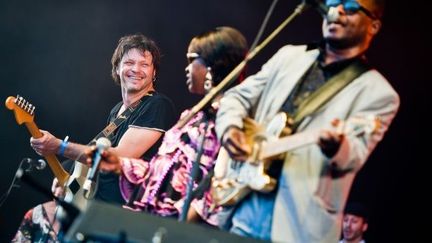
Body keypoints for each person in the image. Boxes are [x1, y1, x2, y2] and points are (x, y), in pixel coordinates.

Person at [215, 0, 399, 242]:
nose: (337, 10)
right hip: (246, 204)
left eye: (351, 7)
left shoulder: (379, 93)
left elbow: (355, 153)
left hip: (301, 224)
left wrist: (336, 146)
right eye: (333, 3)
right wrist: (230, 129)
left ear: (373, 25)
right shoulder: (289, 56)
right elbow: (237, 97)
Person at [13, 33, 176, 242]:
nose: (136, 69)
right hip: (98, 202)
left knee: (43, 220)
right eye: (129, 62)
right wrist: (66, 177)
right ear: (117, 68)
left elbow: (115, 157)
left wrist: (59, 146)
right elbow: (92, 159)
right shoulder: (117, 110)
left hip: (128, 210)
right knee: (37, 215)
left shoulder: (158, 105)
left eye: (144, 64)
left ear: (154, 72)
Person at [90, 26, 248, 225]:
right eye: (129, 62)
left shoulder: (225, 120)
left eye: (192, 60)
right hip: (150, 216)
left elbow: (215, 188)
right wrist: (121, 165)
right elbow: (157, 169)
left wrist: (174, 228)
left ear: (212, 65)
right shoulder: (195, 117)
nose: (187, 68)